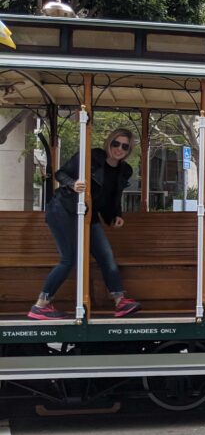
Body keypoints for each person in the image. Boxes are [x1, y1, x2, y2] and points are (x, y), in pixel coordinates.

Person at [28, 128, 141, 320]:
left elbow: (112, 198)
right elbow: (60, 174)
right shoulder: (92, 156)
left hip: (88, 213)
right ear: (109, 142)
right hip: (63, 209)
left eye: (124, 146)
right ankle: (41, 305)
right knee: (69, 258)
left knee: (106, 256)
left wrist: (116, 216)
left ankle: (120, 301)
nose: (119, 148)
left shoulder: (125, 170)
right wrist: (73, 184)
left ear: (128, 150)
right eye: (115, 143)